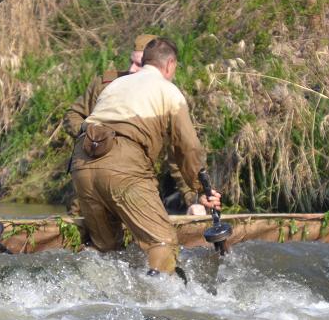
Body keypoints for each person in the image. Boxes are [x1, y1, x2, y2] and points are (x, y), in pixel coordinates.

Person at [70, 37, 221, 275]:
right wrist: (201, 191)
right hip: (124, 167)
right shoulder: (167, 91)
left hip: (81, 165)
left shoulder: (113, 86)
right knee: (161, 241)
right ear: (170, 65)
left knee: (108, 250)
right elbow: (188, 147)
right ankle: (158, 305)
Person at [63, 34, 200, 214]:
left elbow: (179, 152)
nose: (132, 69)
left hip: (133, 179)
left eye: (140, 64)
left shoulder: (163, 95)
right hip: (90, 174)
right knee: (83, 230)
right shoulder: (106, 84)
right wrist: (91, 131)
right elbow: (73, 115)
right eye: (131, 62)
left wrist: (193, 199)